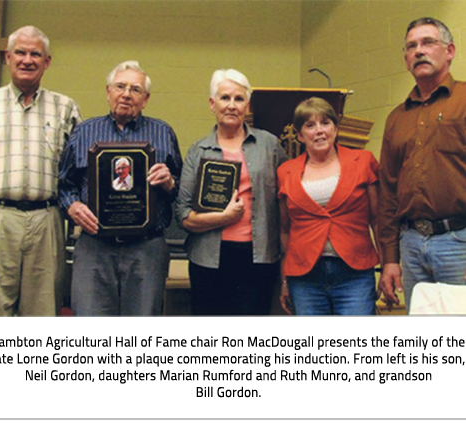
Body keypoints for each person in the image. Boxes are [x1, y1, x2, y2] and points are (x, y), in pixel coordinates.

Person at [59, 60, 182, 317]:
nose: (127, 94)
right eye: (120, 86)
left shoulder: (163, 133)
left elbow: (181, 191)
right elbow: (64, 184)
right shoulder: (84, 132)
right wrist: (73, 205)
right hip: (95, 247)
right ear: (108, 92)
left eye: (135, 89)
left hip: (146, 249)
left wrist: (170, 182)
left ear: (145, 99)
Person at [176, 69, 287, 316]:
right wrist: (224, 218)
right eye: (225, 98)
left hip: (259, 257)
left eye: (239, 99)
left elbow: (288, 198)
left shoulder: (270, 145)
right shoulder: (198, 150)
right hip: (208, 258)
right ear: (212, 104)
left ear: (247, 106)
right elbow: (182, 214)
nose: (231, 106)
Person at [0, 26, 82, 317]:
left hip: (47, 219)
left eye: (35, 54)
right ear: (8, 57)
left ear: (47, 61)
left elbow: (79, 170)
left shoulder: (65, 108)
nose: (27, 60)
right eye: (20, 52)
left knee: (43, 308)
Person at [378, 17, 466, 312]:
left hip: (460, 243)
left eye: (428, 42)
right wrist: (390, 258)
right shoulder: (396, 119)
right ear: (406, 59)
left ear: (450, 50)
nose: (419, 51)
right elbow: (388, 192)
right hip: (411, 245)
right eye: (411, 46)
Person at [278, 97, 380, 316]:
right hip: (305, 278)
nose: (319, 131)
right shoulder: (285, 172)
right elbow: (285, 231)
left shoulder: (363, 161)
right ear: (300, 135)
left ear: (336, 128)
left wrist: (389, 265)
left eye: (325, 123)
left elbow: (378, 220)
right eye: (310, 125)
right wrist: (285, 280)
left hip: (354, 274)